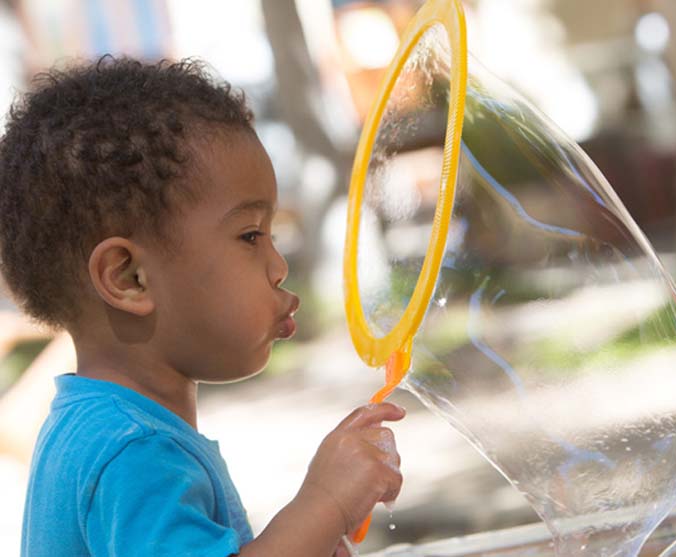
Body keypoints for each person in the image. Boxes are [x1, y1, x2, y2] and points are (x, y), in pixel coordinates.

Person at [0, 56, 404, 557]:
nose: (277, 266)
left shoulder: (98, 427)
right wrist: (324, 504)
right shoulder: (133, 450)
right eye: (250, 235)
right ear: (129, 278)